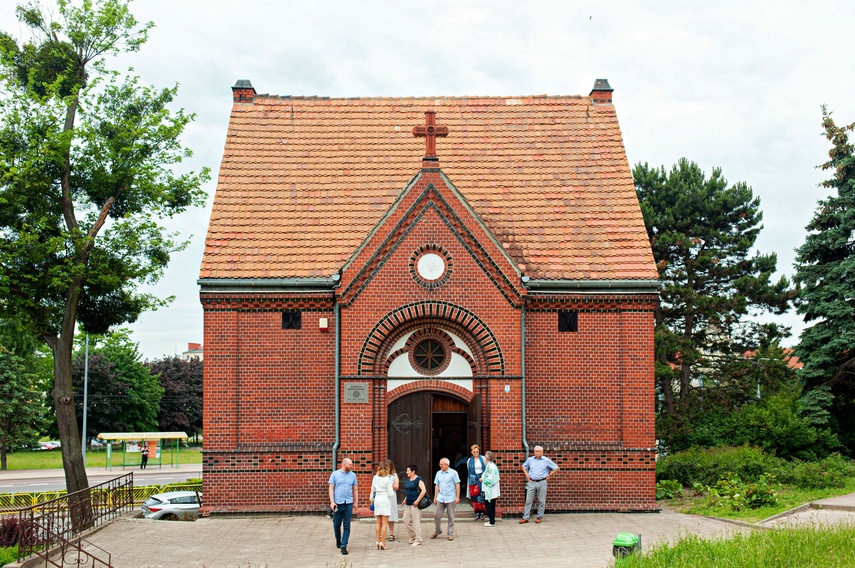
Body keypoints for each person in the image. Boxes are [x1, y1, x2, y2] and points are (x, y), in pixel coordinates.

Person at [519, 445, 559, 524]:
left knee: (541, 500)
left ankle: (539, 516)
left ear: (542, 452)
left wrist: (549, 475)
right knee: (528, 500)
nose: (537, 453)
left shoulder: (546, 460)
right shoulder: (530, 460)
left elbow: (556, 468)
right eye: (535, 451)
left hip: (542, 482)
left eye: (538, 451)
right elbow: (523, 466)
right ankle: (525, 517)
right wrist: (526, 475)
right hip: (532, 482)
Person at [329, 457, 358, 555]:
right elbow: (331, 488)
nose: (352, 466)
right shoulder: (335, 474)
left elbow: (355, 489)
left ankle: (344, 545)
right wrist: (332, 502)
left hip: (348, 503)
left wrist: (355, 502)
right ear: (344, 464)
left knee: (347, 525)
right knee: (336, 524)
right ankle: (338, 539)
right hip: (338, 503)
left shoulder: (353, 475)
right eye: (350, 464)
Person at [431, 457, 460, 540]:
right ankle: (437, 531)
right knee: (436, 515)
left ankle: (450, 533)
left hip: (450, 497)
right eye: (440, 464)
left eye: (442, 464)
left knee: (451, 516)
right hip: (441, 497)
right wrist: (435, 496)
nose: (440, 466)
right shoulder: (438, 473)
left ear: (447, 465)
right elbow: (437, 485)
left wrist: (457, 497)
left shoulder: (453, 473)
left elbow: (457, 484)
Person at [370, 460, 396, 550]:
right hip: (385, 499)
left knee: (378, 522)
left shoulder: (375, 477)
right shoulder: (388, 479)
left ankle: (377, 540)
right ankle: (383, 543)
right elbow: (391, 493)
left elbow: (372, 489)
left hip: (377, 499)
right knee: (384, 523)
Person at [402, 464, 427, 547]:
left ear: (413, 471)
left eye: (408, 471)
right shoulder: (409, 479)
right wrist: (405, 499)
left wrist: (417, 500)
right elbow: (408, 491)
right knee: (405, 519)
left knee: (416, 522)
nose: (406, 472)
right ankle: (413, 536)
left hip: (415, 504)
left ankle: (418, 540)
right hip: (408, 503)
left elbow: (423, 490)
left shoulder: (418, 479)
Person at [480, 450, 500, 527]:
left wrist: (483, 479)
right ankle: (492, 519)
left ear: (487, 458)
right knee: (492, 505)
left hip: (490, 490)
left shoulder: (490, 467)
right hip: (493, 490)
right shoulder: (493, 466)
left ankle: (492, 521)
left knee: (489, 505)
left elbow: (490, 479)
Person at [466, 444, 487, 520]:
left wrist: (483, 477)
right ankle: (476, 512)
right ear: (472, 452)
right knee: (474, 497)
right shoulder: (469, 460)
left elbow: (486, 468)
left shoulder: (483, 459)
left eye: (477, 452)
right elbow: (469, 470)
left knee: (481, 496)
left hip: (481, 479)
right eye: (474, 452)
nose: (476, 453)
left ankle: (482, 513)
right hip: (473, 480)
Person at [387, 460, 400, 542]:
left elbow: (396, 487)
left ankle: (391, 533)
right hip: (383, 497)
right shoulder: (381, 475)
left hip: (391, 497)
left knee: (391, 515)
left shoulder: (394, 475)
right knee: (382, 515)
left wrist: (389, 484)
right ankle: (381, 532)